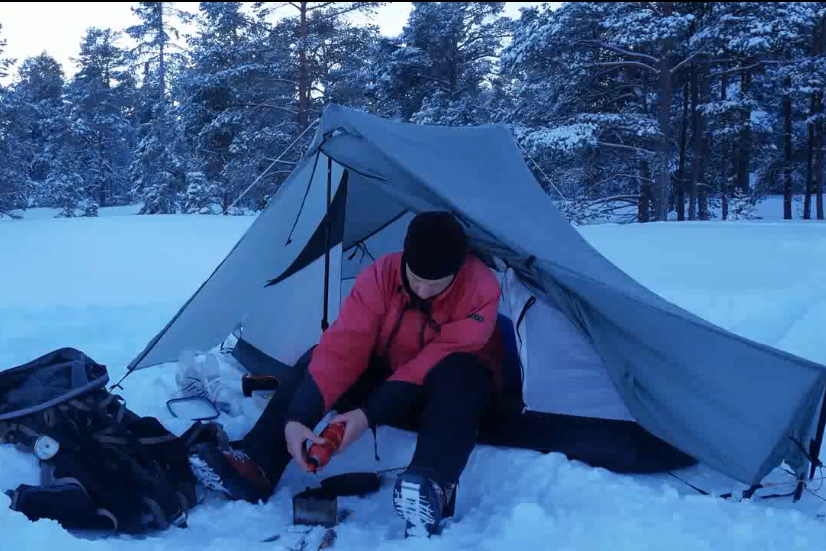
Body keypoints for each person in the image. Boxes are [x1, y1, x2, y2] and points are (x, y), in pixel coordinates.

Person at [189, 211, 505, 537]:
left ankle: (432, 483)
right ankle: (258, 462)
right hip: (391, 381)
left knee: (461, 372)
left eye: (436, 284)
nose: (423, 292)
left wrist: (367, 415)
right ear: (404, 261)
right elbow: (345, 345)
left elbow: (428, 364)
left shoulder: (480, 288)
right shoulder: (382, 274)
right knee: (317, 355)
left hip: (447, 398)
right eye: (416, 279)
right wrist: (300, 416)